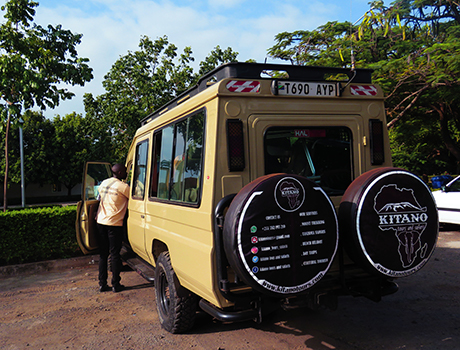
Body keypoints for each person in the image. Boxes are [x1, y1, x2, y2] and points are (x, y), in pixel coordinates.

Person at [96, 163, 130, 293]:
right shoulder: (124, 187)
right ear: (120, 173)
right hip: (114, 224)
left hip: (100, 222)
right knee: (115, 254)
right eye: (125, 171)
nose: (127, 173)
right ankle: (116, 284)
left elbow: (99, 199)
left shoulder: (104, 183)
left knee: (103, 255)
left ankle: (102, 284)